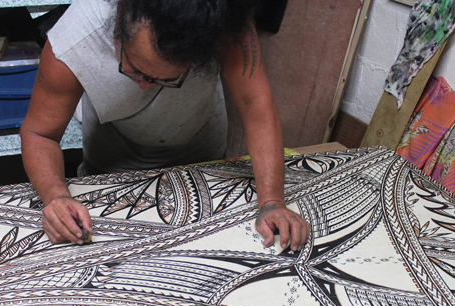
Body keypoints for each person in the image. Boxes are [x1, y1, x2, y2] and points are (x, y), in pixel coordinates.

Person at [20, 0, 310, 251]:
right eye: (135, 69)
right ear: (119, 24)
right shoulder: (74, 40)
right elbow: (39, 133)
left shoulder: (222, 25)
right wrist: (55, 196)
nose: (146, 86)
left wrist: (272, 201)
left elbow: (255, 107)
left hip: (203, 160)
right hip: (112, 163)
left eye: (166, 79)